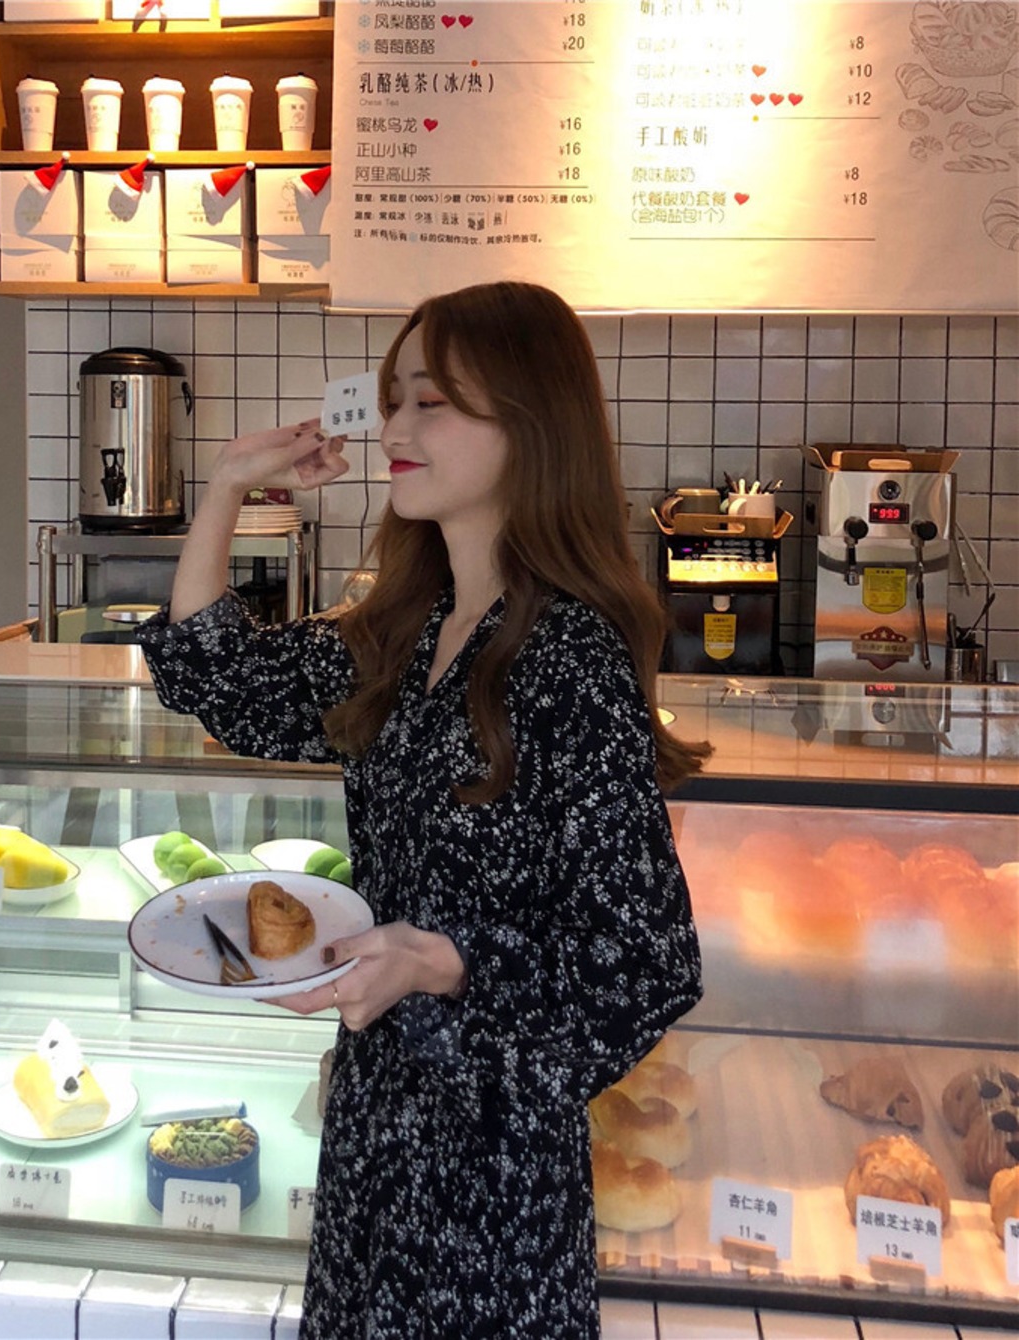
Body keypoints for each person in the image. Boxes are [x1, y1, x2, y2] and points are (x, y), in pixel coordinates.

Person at [137, 280, 707, 1339]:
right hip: (377, 1124)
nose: (393, 429)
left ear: (529, 426)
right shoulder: (412, 625)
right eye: (392, 398)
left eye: (430, 402)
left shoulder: (569, 655)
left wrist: (441, 961)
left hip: (488, 1178)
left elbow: (644, 962)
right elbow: (223, 682)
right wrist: (226, 486)